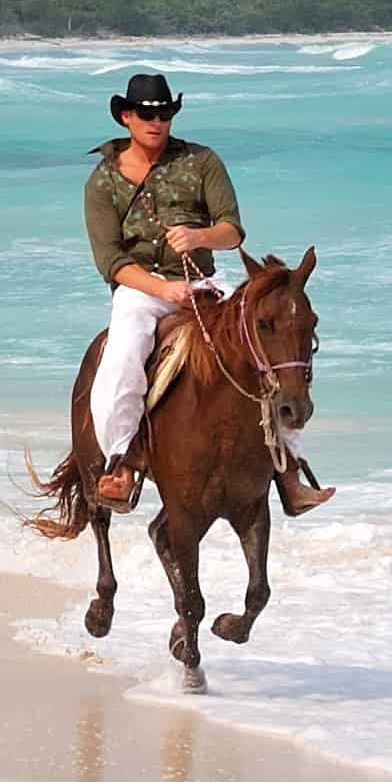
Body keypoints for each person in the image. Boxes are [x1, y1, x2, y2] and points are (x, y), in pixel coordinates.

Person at [81, 72, 333, 513]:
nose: (157, 123)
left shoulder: (201, 161)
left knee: (266, 344)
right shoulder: (102, 181)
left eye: (165, 114)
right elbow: (111, 260)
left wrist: (199, 237)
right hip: (141, 289)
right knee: (123, 358)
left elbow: (232, 230)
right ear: (126, 117)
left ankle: (289, 470)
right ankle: (121, 463)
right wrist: (163, 289)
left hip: (203, 284)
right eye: (147, 115)